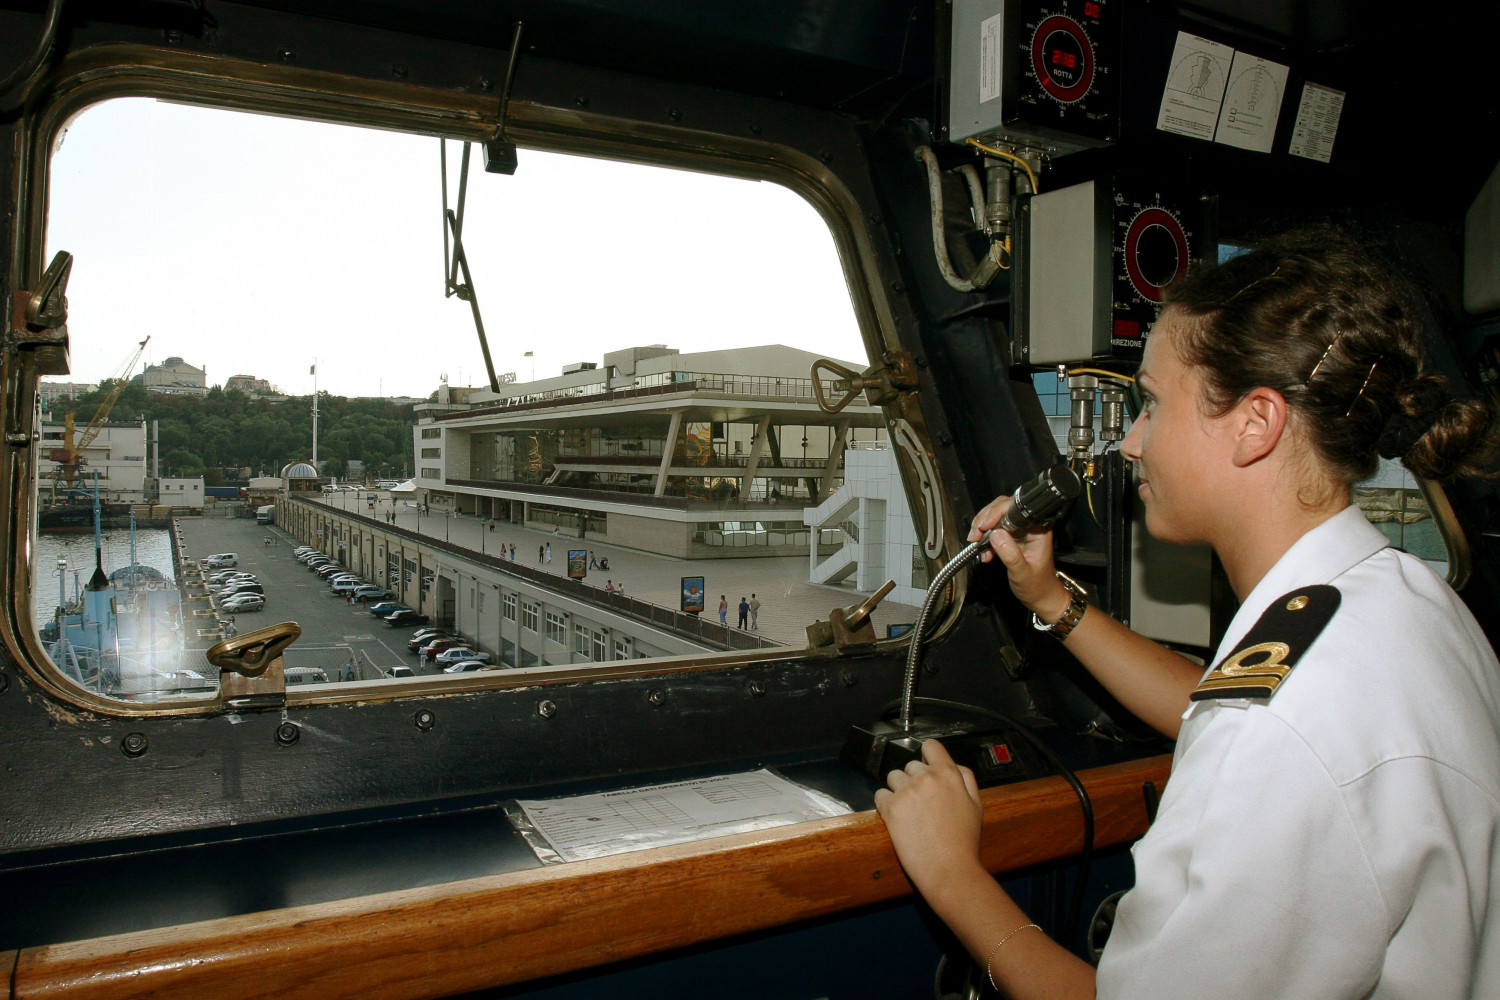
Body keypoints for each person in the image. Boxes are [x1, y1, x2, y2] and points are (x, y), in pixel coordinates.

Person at [875, 227, 1500, 1000]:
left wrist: (950, 874)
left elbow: (1264, 735)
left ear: (1255, 423)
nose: (1132, 443)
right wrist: (1048, 597)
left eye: (1153, 404)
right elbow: (1219, 707)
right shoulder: (1400, 594)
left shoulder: (1278, 735)